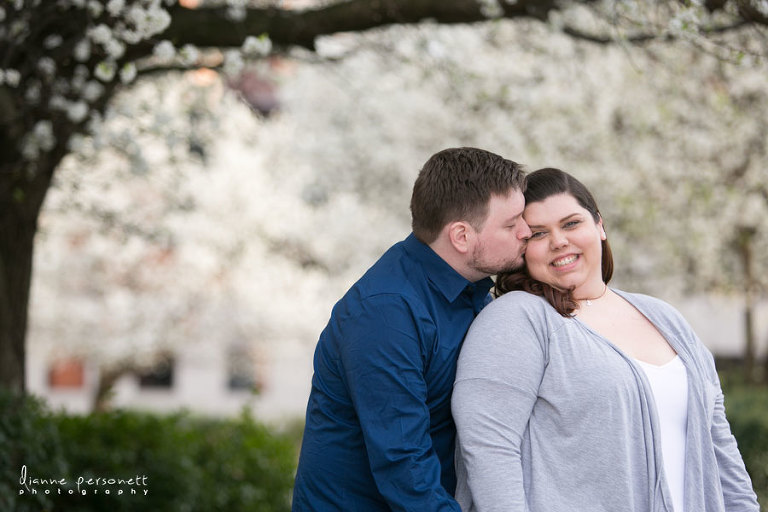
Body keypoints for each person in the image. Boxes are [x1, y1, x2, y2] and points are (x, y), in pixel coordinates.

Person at [452, 167, 760, 512]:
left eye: (571, 224)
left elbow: (719, 442)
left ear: (599, 225)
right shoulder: (517, 319)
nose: (559, 241)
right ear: (522, 249)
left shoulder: (664, 317)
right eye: (538, 234)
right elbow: (489, 447)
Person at [291, 147, 532, 511]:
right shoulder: (386, 314)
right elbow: (404, 467)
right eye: (512, 225)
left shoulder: (472, 291)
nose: (527, 232)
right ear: (461, 236)